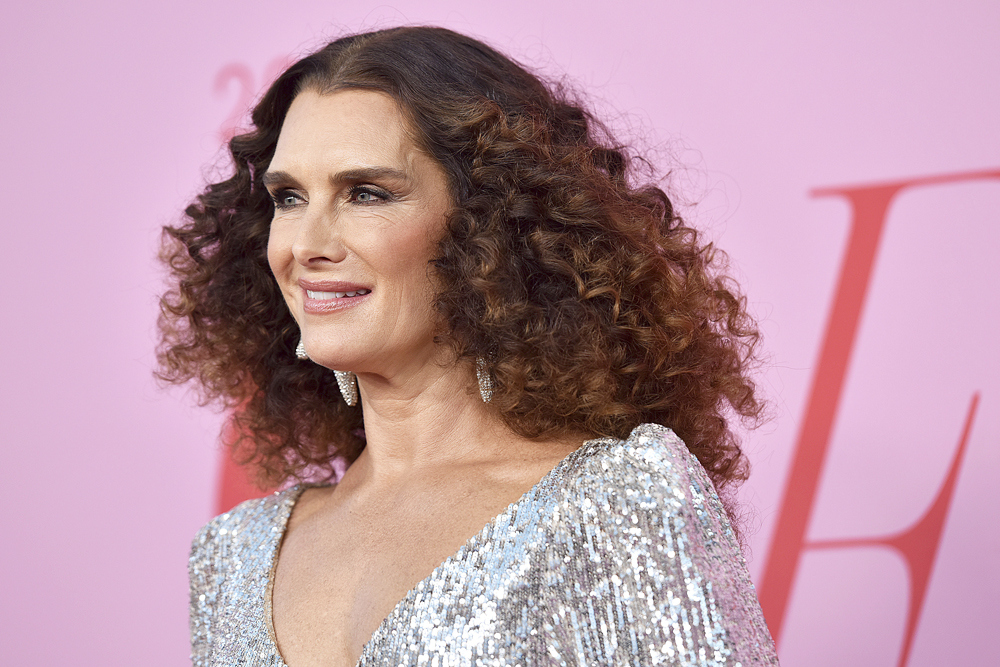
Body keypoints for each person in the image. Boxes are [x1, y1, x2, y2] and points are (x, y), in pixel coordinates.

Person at [158, 25, 779, 666]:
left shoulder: (610, 505)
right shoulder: (232, 559)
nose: (306, 244)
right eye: (289, 198)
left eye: (365, 193)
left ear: (488, 220)